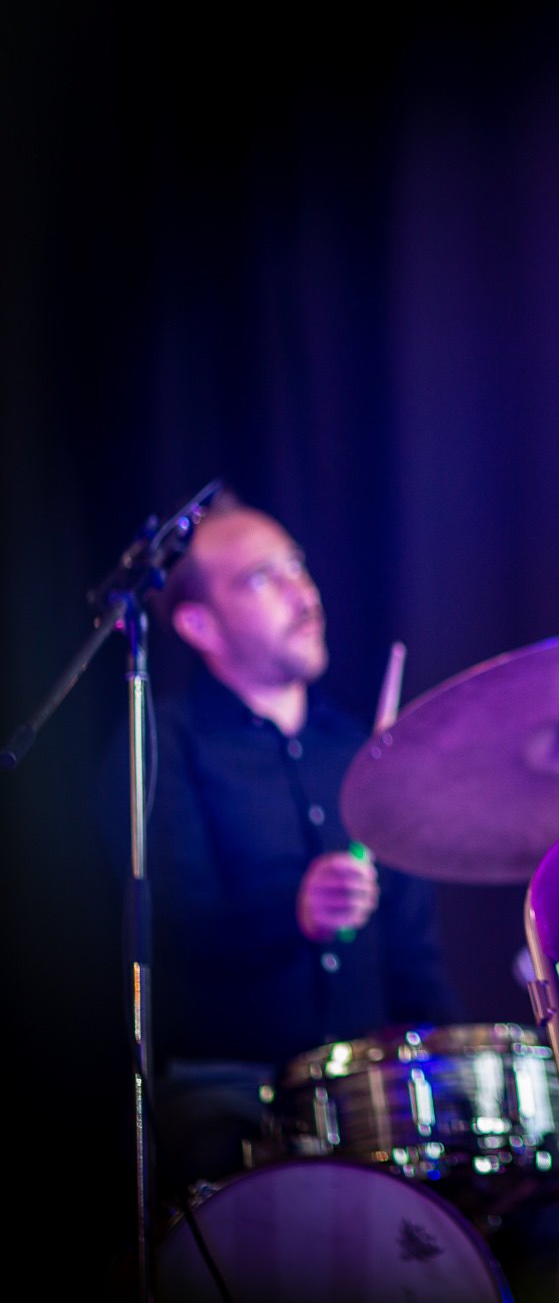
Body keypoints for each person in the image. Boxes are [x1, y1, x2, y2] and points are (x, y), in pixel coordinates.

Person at [108, 498, 458, 1195]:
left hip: (366, 1098)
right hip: (227, 1090)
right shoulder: (161, 744)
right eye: (262, 578)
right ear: (198, 622)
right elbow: (168, 930)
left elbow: (413, 960)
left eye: (297, 565)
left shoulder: (363, 751)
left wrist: (457, 1074)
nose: (304, 589)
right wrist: (292, 913)